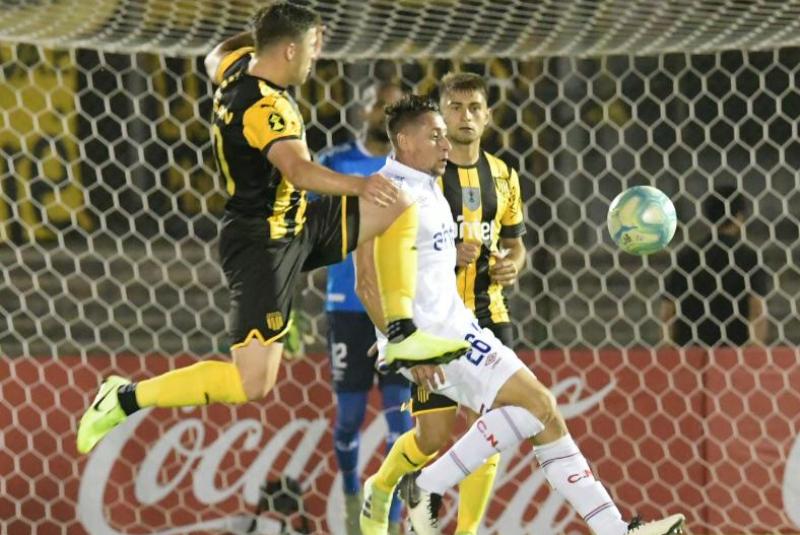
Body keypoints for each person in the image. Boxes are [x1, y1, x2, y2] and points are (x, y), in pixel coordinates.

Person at [76, 2, 468, 455]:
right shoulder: (265, 106)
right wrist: (361, 183)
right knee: (252, 382)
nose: (313, 60)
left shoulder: (233, 68)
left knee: (400, 200)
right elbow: (299, 171)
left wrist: (270, 33)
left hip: (298, 222)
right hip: (263, 245)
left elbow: (214, 54)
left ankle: (401, 331)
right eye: (308, 50)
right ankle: (123, 397)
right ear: (286, 51)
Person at [355, 94, 685, 535]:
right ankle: (426, 486)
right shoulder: (385, 192)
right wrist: (406, 350)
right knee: (532, 408)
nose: (444, 145)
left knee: (541, 413)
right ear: (403, 140)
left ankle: (615, 530)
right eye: (434, 136)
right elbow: (366, 282)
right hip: (434, 339)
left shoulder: (427, 185)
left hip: (462, 327)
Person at [372, 72, 527, 535]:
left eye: (474, 107)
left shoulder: (504, 174)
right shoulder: (422, 177)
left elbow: (517, 242)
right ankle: (382, 485)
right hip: (437, 321)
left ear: (488, 116)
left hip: (489, 313)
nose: (465, 117)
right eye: (454, 108)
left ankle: (468, 530)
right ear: (439, 115)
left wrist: (513, 265)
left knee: (496, 425)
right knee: (432, 438)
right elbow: (391, 249)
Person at [318, 81, 412, 535]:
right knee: (350, 416)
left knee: (400, 416)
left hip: (398, 308)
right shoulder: (334, 163)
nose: (384, 110)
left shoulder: (412, 169)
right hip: (347, 308)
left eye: (393, 105)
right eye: (378, 101)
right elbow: (305, 224)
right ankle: (353, 495)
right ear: (364, 108)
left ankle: (389, 516)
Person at [661, 185, 769, 347]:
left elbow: (668, 312)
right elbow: (757, 311)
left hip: (691, 354)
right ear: (739, 216)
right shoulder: (748, 257)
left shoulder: (686, 256)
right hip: (733, 354)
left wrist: (669, 352)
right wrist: (754, 353)